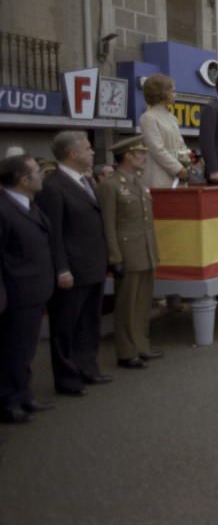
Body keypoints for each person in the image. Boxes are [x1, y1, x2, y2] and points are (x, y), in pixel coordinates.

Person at [36, 131, 112, 396]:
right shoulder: (53, 187)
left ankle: (87, 367)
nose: (92, 152)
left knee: (89, 322)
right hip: (72, 268)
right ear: (73, 153)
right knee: (66, 326)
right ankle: (67, 378)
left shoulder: (86, 182)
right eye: (88, 148)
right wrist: (62, 268)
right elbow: (53, 233)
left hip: (93, 264)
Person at [96, 136, 161, 370]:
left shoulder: (138, 183)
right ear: (127, 156)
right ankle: (126, 350)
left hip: (145, 250)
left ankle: (142, 344)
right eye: (140, 154)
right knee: (126, 304)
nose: (145, 157)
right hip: (127, 252)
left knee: (143, 303)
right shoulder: (110, 185)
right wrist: (114, 256)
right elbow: (109, 225)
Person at [0, 154, 55, 423]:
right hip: (17, 292)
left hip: (35, 289)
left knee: (26, 349)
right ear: (23, 180)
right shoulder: (4, 209)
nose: (41, 175)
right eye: (37, 171)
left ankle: (24, 393)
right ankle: (9, 401)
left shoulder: (30, 205)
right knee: (12, 350)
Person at [139, 74, 189, 189]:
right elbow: (156, 149)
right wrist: (178, 168)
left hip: (179, 176)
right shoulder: (148, 117)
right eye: (173, 91)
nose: (175, 94)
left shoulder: (172, 117)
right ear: (162, 93)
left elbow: (181, 144)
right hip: (159, 174)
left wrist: (186, 162)